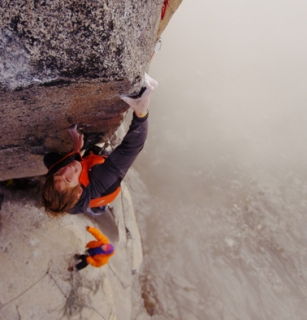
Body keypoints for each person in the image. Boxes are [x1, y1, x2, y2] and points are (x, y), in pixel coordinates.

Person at [41, 73, 158, 215]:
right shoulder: (100, 181)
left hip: (76, 192)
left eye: (58, 174)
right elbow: (130, 149)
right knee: (97, 153)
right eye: (68, 179)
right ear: (79, 191)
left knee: (51, 159)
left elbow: (59, 168)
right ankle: (99, 208)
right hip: (106, 190)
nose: (66, 169)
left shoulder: (60, 180)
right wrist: (141, 114)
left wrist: (75, 150)